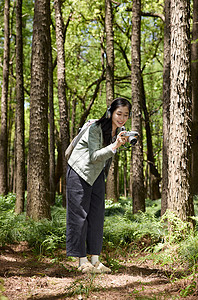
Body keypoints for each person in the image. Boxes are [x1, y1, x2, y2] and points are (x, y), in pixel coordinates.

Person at [66, 97, 132, 273]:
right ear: (110, 112)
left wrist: (119, 143)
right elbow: (94, 156)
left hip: (96, 175)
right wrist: (115, 146)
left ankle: (95, 260)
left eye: (126, 115)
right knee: (80, 215)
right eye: (119, 113)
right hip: (79, 171)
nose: (122, 118)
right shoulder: (95, 128)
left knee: (97, 216)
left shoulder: (117, 131)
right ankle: (82, 261)